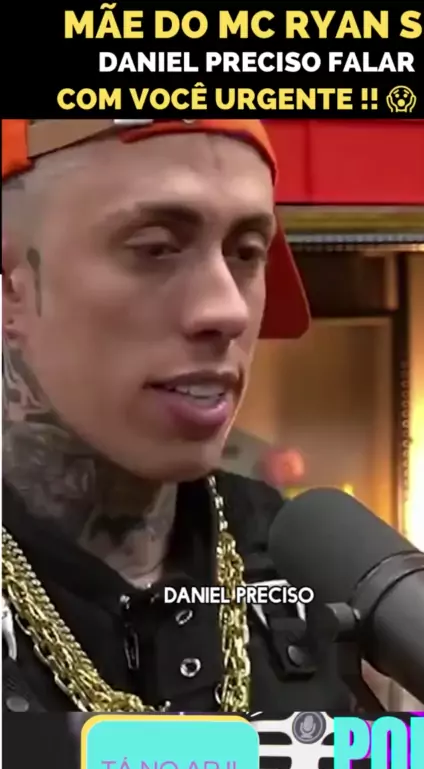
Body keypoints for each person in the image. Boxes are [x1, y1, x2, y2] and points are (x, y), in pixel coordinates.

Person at [2, 118, 351, 714]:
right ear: (12, 288)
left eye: (247, 253)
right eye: (155, 248)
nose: (227, 311)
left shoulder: (306, 564)